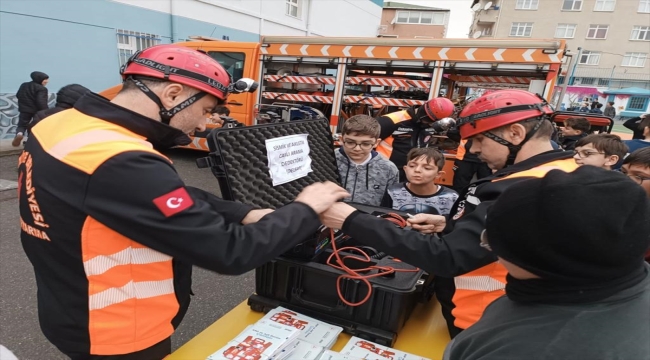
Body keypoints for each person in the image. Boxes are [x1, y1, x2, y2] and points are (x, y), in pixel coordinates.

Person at [18, 44, 349, 359]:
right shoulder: (123, 160)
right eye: (205, 110)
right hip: (117, 328)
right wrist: (304, 208)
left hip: (67, 301)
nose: (204, 124)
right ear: (173, 93)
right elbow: (230, 251)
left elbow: (154, 199)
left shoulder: (63, 125)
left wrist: (244, 211)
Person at [319, 89, 579, 337]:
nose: (474, 150)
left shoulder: (526, 188)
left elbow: (447, 257)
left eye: (479, 139)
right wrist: (448, 224)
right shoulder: (560, 172)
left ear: (515, 133)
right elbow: (500, 235)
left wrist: (349, 219)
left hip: (490, 319)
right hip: (496, 316)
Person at [443, 166, 650, 360]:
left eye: (490, 240)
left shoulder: (528, 350)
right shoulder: (620, 273)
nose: (492, 250)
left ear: (540, 260)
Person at [375, 97, 455, 181]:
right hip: (384, 171)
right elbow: (366, 143)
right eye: (427, 120)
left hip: (412, 173)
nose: (428, 124)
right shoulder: (391, 121)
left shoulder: (430, 125)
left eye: (432, 122)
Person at [336, 114, 398, 206]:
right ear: (341, 139)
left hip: (368, 219)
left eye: (365, 144)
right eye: (350, 142)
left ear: (376, 143)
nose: (357, 149)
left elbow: (390, 205)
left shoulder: (388, 169)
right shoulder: (326, 161)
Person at [381, 148, 458, 217]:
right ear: (405, 169)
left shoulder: (451, 197)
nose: (417, 170)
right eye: (412, 166)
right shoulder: (393, 191)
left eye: (427, 168)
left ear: (439, 174)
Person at [12, 71, 50, 146]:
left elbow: (18, 95)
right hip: (36, 111)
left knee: (22, 125)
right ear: (39, 79)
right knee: (34, 126)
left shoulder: (24, 85)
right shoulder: (42, 89)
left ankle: (19, 134)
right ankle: (30, 141)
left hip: (24, 110)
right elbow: (41, 102)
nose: (47, 81)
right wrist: (46, 112)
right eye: (45, 79)